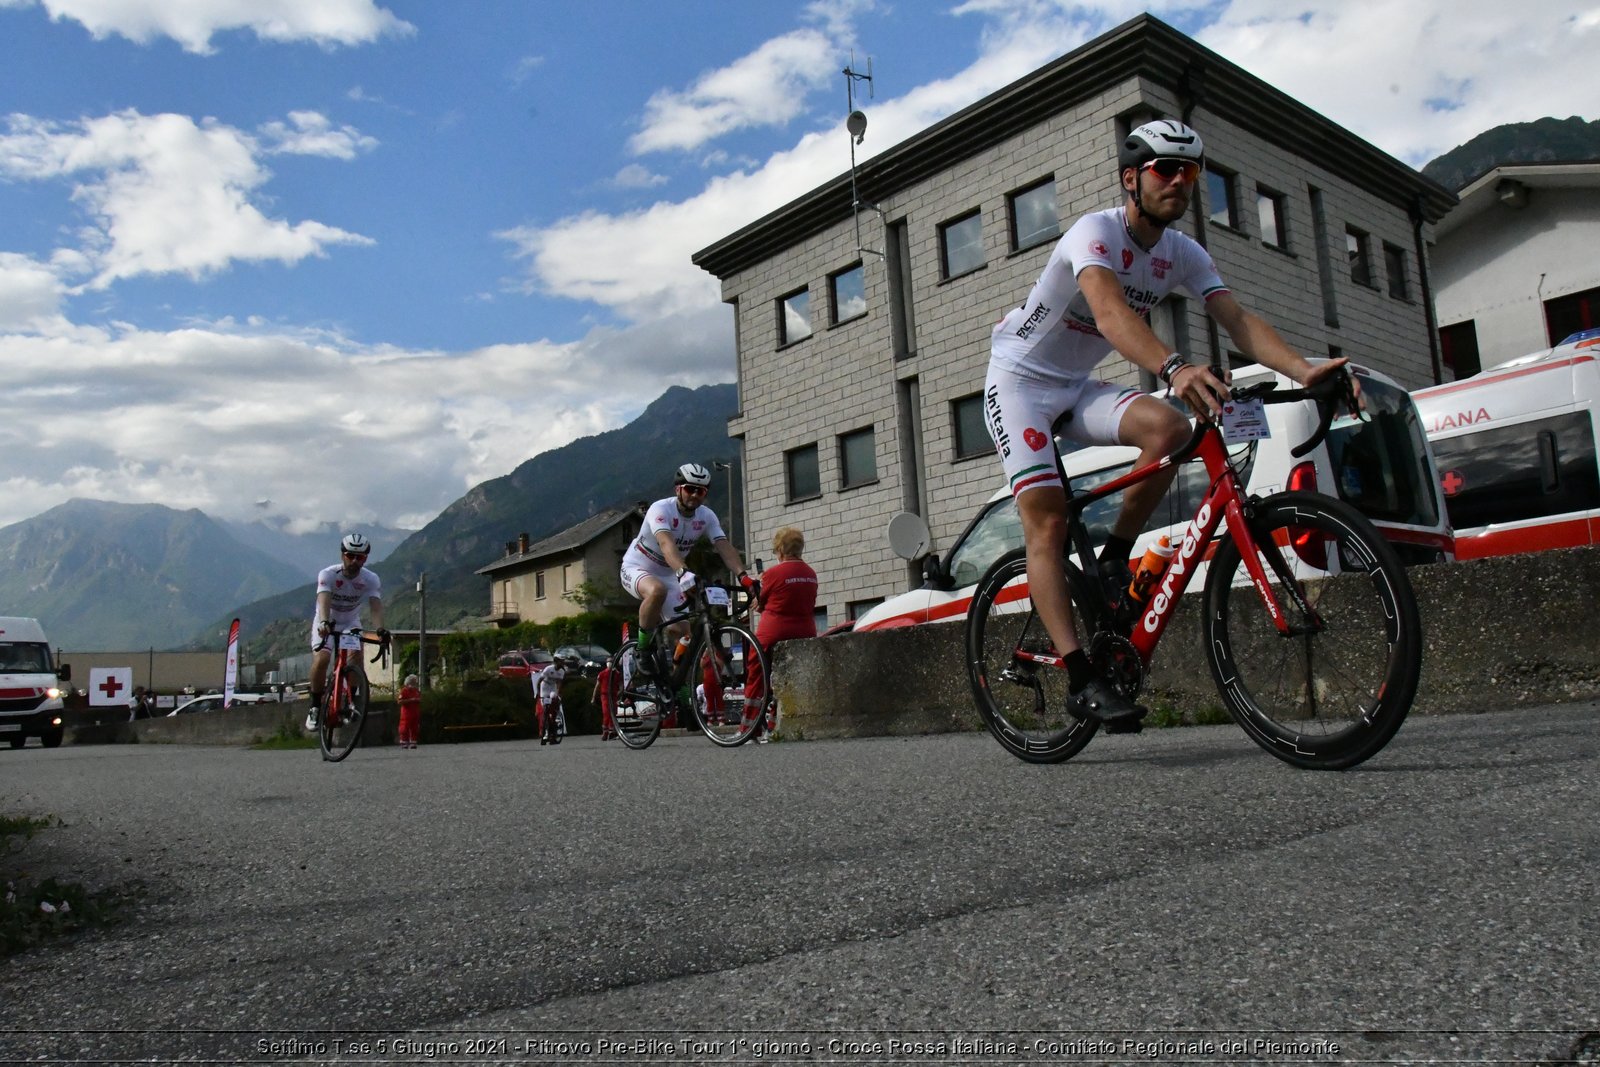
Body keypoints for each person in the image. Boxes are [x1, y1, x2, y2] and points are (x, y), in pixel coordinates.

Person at [984, 118, 1356, 728]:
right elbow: (1107, 312)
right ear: (1131, 179)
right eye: (1165, 169)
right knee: (1047, 521)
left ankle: (1114, 559)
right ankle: (1080, 679)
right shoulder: (1094, 233)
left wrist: (1305, 368)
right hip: (1019, 379)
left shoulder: (1183, 253)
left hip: (1074, 385)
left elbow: (1237, 322)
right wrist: (1176, 366)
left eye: (1192, 172)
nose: (1181, 182)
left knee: (1172, 431)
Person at [619, 462, 757, 709]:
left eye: (701, 491)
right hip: (639, 567)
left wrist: (744, 577)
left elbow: (724, 546)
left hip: (670, 573)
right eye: (690, 489)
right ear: (678, 489)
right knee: (657, 591)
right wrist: (682, 571)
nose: (694, 495)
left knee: (686, 633)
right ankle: (642, 650)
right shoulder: (660, 509)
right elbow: (666, 544)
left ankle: (673, 678)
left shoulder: (707, 516)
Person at [305, 532, 388, 731]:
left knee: (356, 656)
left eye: (360, 557)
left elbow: (375, 606)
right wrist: (324, 622)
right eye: (350, 555)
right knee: (322, 659)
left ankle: (351, 700)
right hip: (328, 621)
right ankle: (315, 706)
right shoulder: (328, 574)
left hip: (351, 621)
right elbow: (323, 599)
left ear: (365, 558)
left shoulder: (370, 578)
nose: (354, 561)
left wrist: (380, 629)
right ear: (342, 554)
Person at [744, 526, 818, 742]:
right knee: (786, 680)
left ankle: (750, 729)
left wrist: (759, 594)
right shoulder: (810, 574)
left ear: (780, 550)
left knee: (757, 676)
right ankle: (776, 727)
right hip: (805, 629)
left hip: (773, 630)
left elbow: (761, 605)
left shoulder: (773, 573)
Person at [533, 655, 568, 745]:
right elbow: (539, 681)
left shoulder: (561, 671)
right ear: (556, 661)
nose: (563, 663)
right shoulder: (548, 669)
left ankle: (554, 718)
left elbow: (559, 684)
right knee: (545, 708)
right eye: (561, 661)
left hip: (552, 687)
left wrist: (559, 695)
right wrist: (537, 693)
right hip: (544, 686)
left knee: (554, 699)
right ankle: (546, 731)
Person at [594, 656, 617, 741]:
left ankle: (612, 732)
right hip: (605, 695)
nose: (609, 663)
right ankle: (605, 732)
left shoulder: (616, 674)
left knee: (613, 713)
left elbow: (621, 684)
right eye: (608, 661)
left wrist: (620, 692)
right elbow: (597, 686)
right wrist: (593, 697)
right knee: (606, 713)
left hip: (613, 695)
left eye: (611, 661)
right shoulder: (602, 674)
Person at [397, 674, 421, 749]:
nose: (415, 684)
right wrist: (410, 700)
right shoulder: (404, 691)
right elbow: (399, 701)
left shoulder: (416, 691)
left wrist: (418, 700)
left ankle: (413, 742)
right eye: (413, 682)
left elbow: (419, 698)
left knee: (414, 728)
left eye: (415, 682)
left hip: (415, 713)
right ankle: (404, 743)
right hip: (406, 714)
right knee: (404, 728)